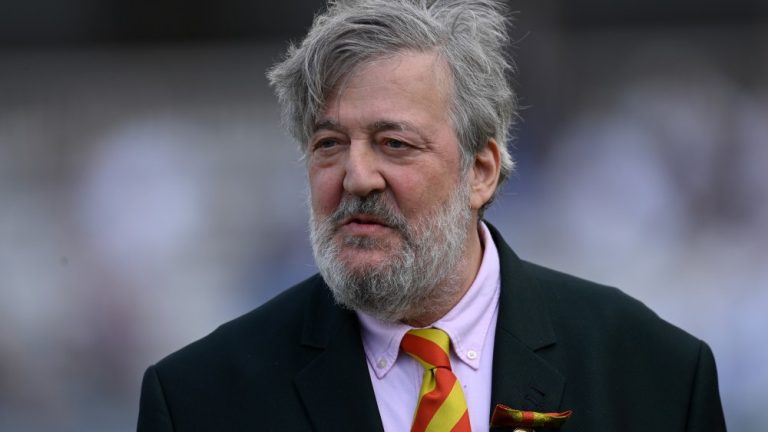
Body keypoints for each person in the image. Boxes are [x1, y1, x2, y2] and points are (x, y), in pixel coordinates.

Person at [137, 0, 727, 431]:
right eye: (329, 145)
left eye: (394, 143)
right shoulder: (199, 400)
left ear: (481, 171)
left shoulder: (654, 374)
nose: (356, 176)